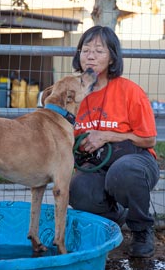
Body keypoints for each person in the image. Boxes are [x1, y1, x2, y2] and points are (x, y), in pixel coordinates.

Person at [69, 25, 160, 258]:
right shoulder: (71, 92)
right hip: (94, 162)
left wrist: (107, 136)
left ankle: (141, 230)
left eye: (99, 50)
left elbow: (149, 138)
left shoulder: (130, 91)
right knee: (79, 188)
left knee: (124, 171)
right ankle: (113, 220)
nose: (90, 55)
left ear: (112, 58)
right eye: (85, 49)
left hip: (135, 160)